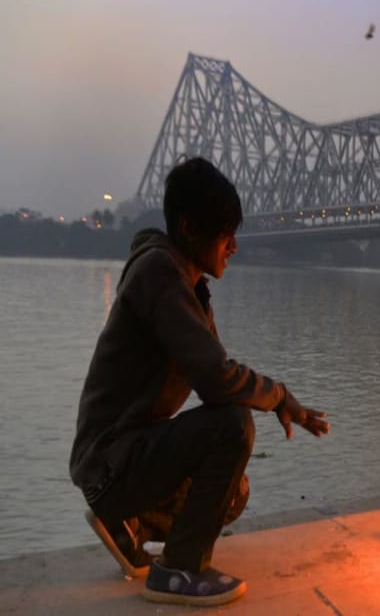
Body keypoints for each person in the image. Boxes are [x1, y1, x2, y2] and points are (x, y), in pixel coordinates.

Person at [69, 157, 330, 607]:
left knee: (233, 493)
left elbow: (220, 369)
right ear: (190, 229)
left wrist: (284, 402)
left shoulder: (187, 286)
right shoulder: (159, 274)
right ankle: (178, 569)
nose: (233, 246)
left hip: (120, 458)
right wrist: (279, 395)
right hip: (109, 463)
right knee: (232, 424)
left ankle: (133, 524)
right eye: (225, 234)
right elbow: (216, 380)